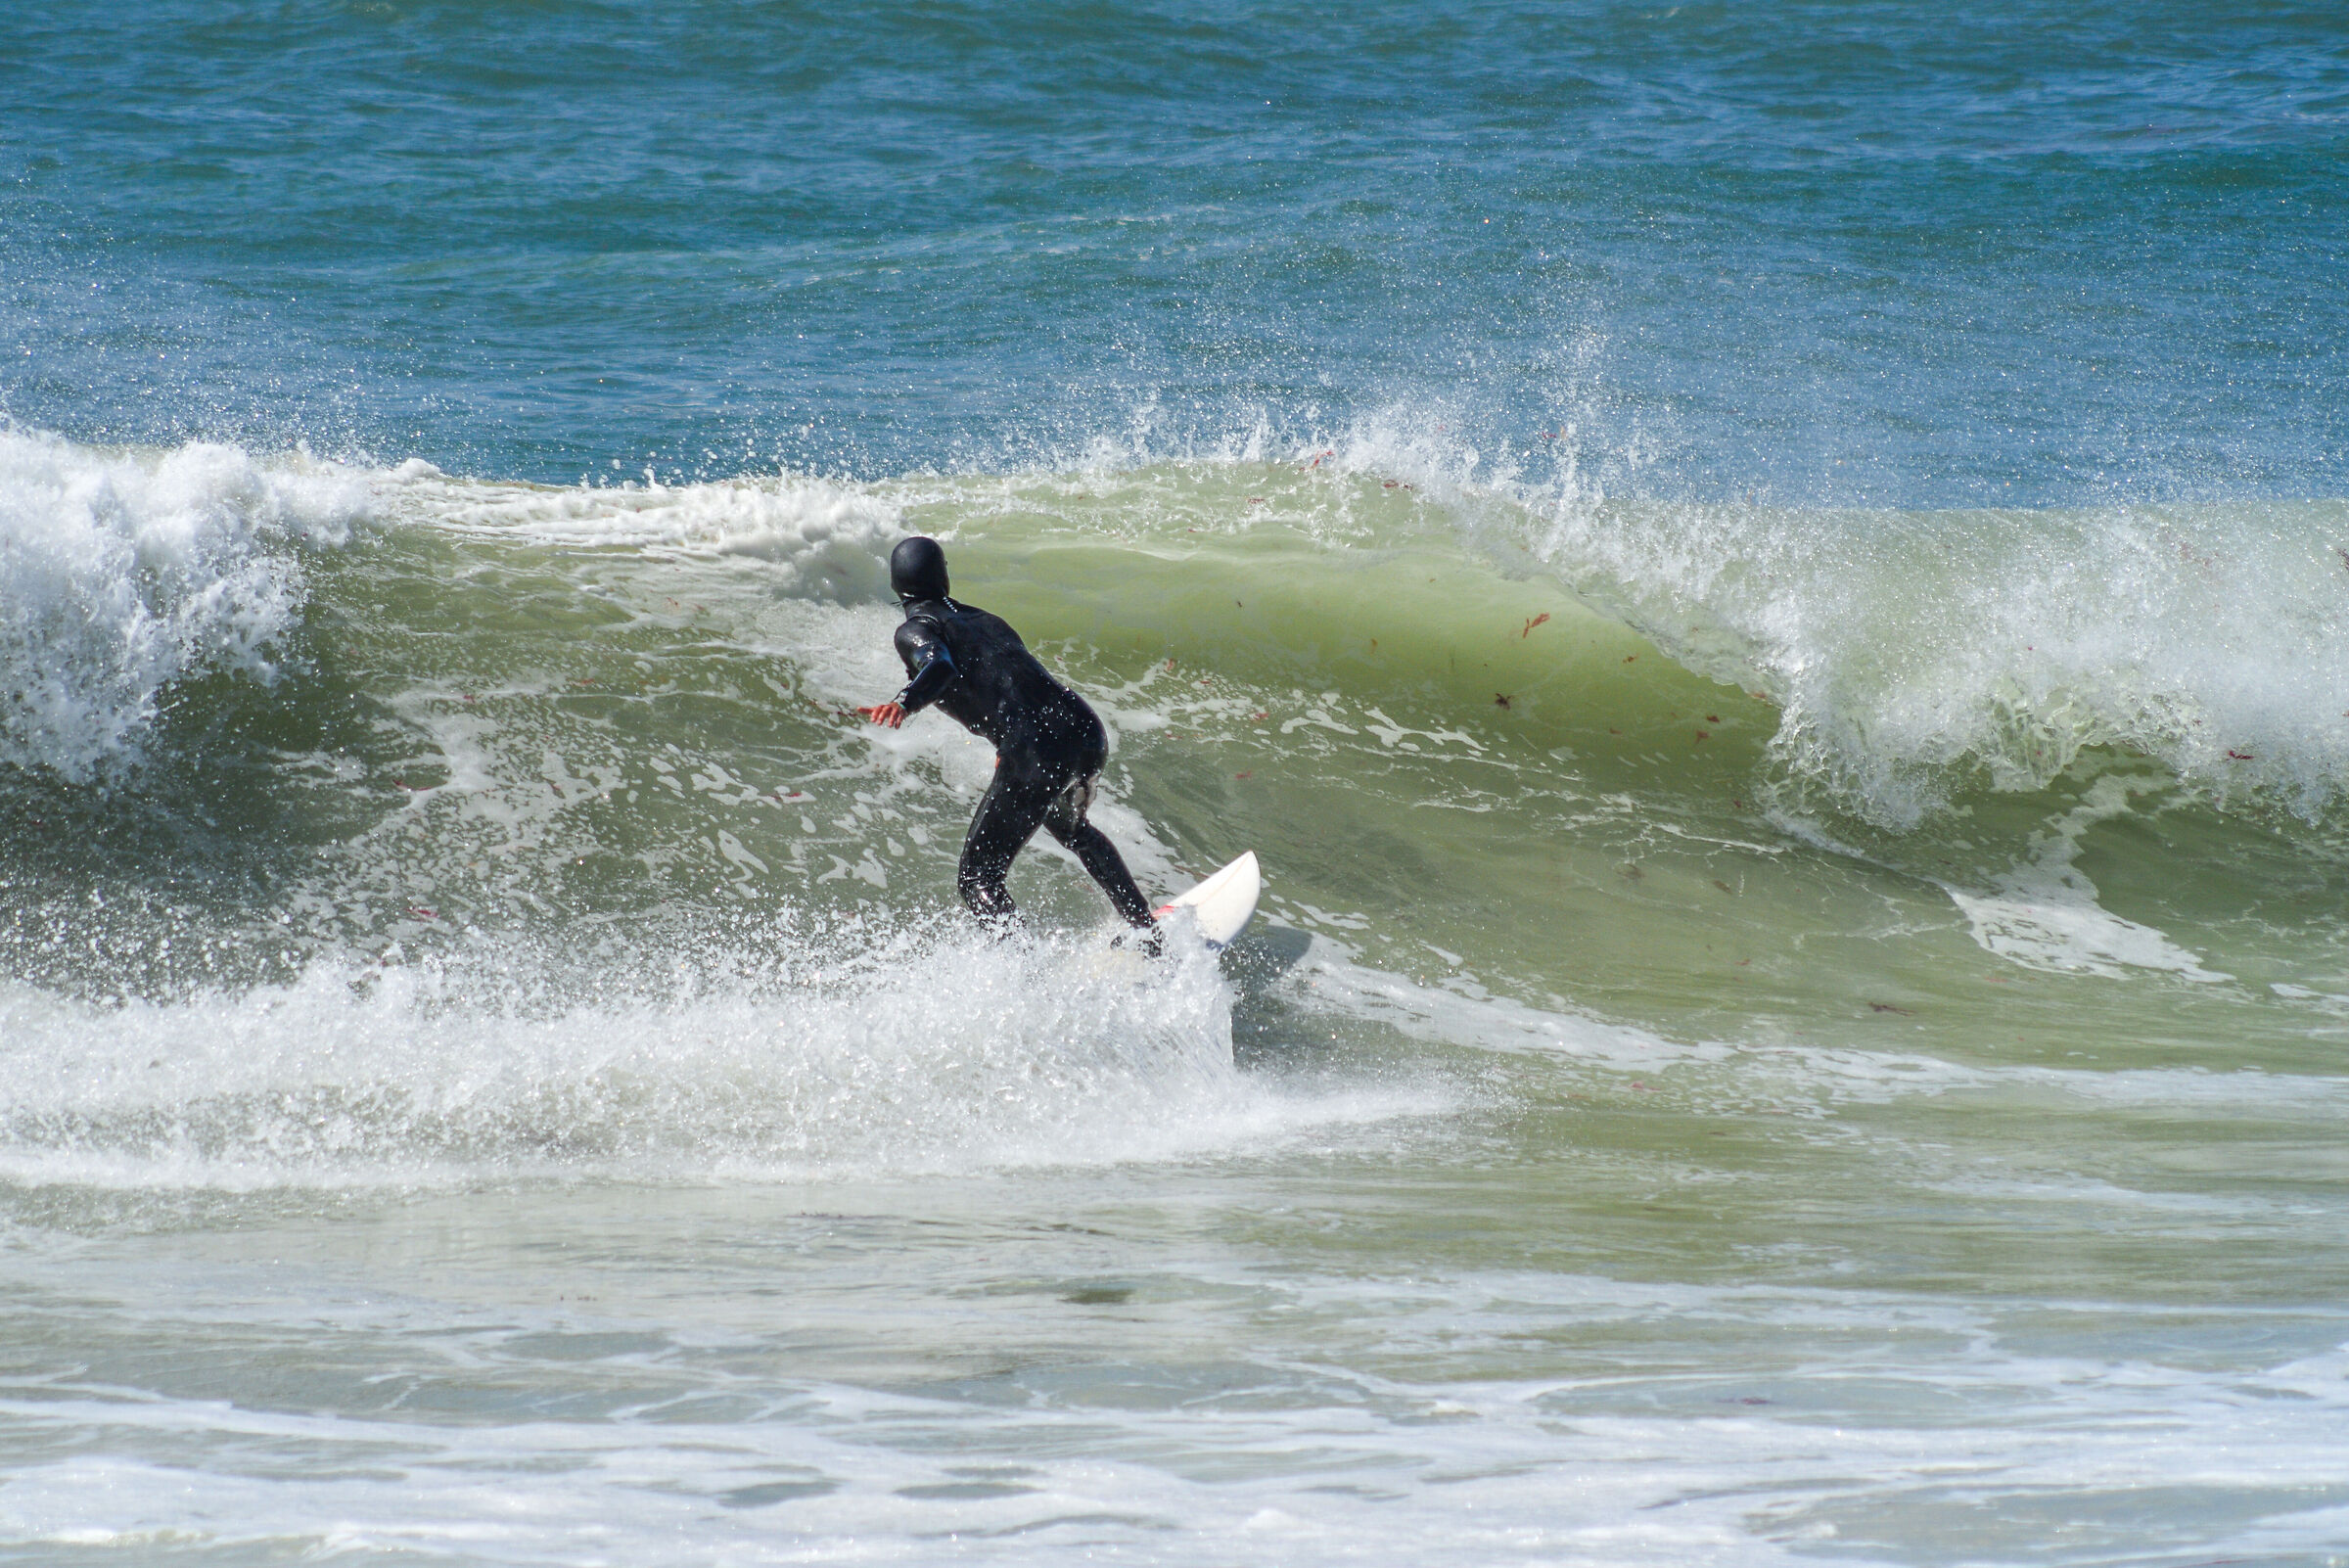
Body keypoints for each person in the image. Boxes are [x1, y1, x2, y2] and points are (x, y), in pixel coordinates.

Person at [858, 536, 1157, 933]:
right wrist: (1009, 742)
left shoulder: (916, 629)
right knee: (1072, 829)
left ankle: (1027, 977)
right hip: (1082, 729)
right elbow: (1014, 682)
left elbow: (940, 666)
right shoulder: (984, 619)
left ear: (897, 585)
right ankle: (1149, 933)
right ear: (943, 575)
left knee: (977, 880)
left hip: (1037, 748)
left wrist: (904, 702)